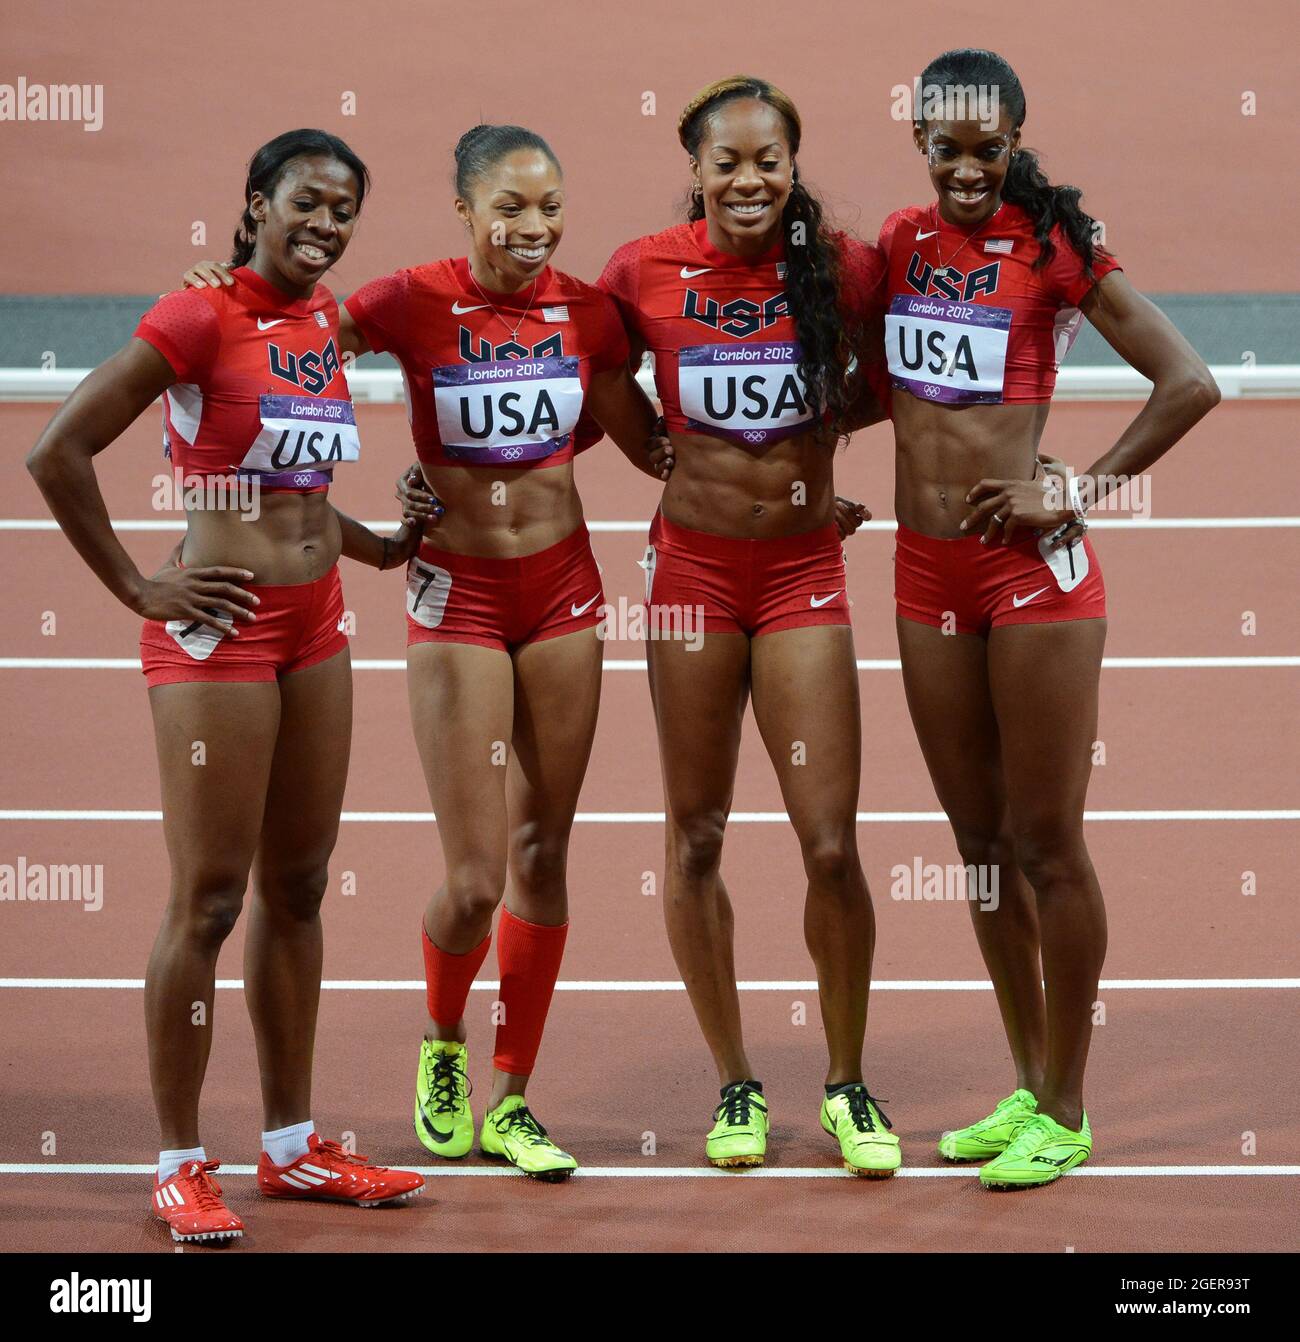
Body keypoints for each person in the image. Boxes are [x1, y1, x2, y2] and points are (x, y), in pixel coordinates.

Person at [187, 122, 670, 1179]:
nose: (533, 227)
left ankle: (511, 1096)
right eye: (510, 206)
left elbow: (655, 438)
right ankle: (443, 1044)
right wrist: (220, 287)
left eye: (550, 207)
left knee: (545, 855)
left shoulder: (586, 312)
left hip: (564, 595)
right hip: (455, 597)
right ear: (464, 209)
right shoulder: (405, 300)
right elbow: (289, 337)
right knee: (474, 875)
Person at [28, 129, 426, 1244]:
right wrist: (135, 590)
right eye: (306, 200)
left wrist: (382, 550)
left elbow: (295, 493)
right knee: (208, 900)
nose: (327, 222)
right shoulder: (198, 314)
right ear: (254, 204)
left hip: (318, 629)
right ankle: (177, 1160)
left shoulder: (318, 322)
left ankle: (292, 1146)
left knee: (299, 888)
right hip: (221, 634)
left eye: (345, 207)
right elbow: (59, 448)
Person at [880, 49, 1220, 1188]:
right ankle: (1026, 1084)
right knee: (978, 851)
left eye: (987, 148)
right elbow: (857, 382)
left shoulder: (1055, 250)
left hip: (1031, 578)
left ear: (1016, 140)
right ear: (917, 140)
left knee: (1044, 844)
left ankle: (1066, 1108)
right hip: (924, 579)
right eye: (946, 146)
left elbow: (1187, 380)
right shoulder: (897, 246)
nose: (966, 168)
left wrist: (1074, 486)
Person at [598, 77, 899, 1175]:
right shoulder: (642, 268)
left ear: (792, 161)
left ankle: (846, 1082)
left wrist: (826, 435)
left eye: (767, 159)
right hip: (690, 577)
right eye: (726, 162)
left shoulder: (848, 267)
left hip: (801, 576)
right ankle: (734, 1081)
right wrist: (649, 449)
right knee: (698, 832)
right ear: (695, 168)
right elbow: (577, 361)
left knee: (829, 841)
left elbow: (911, 361)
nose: (748, 180)